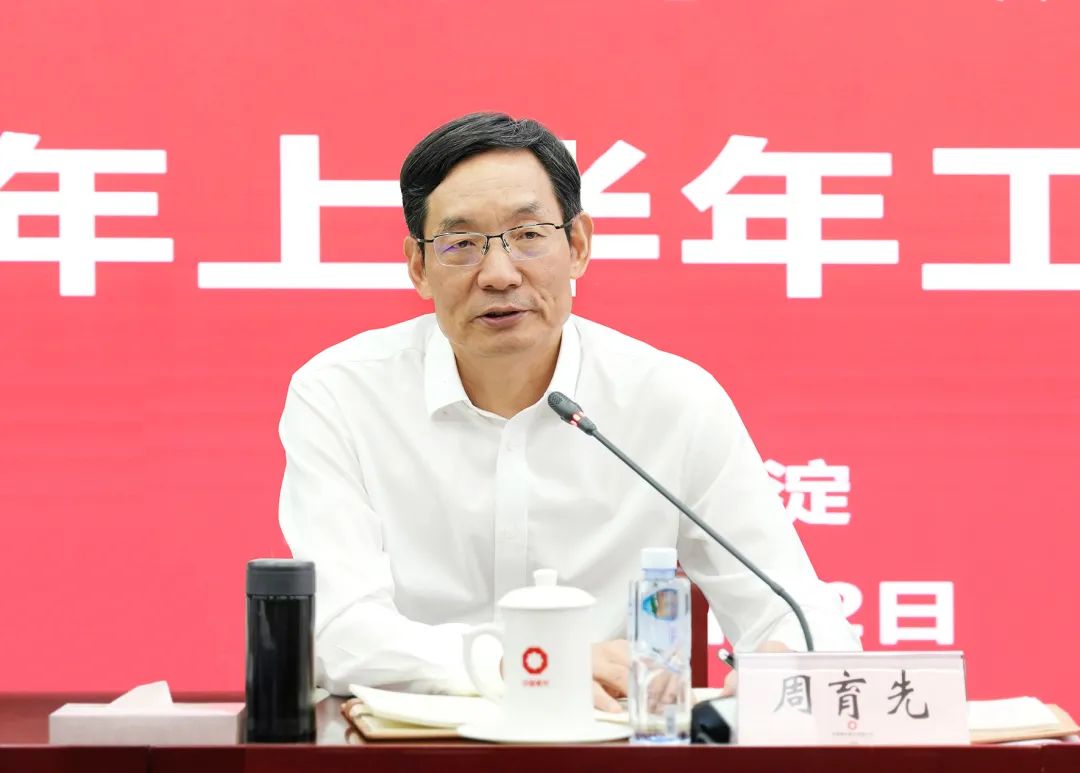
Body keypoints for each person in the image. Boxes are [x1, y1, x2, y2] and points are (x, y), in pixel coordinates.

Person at [278, 112, 859, 710]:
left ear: (578, 245)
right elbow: (336, 631)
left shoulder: (672, 400)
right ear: (419, 267)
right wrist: (527, 665)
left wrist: (786, 665)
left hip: (607, 740)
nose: (499, 274)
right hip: (406, 744)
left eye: (528, 235)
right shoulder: (341, 396)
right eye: (461, 245)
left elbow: (799, 611)